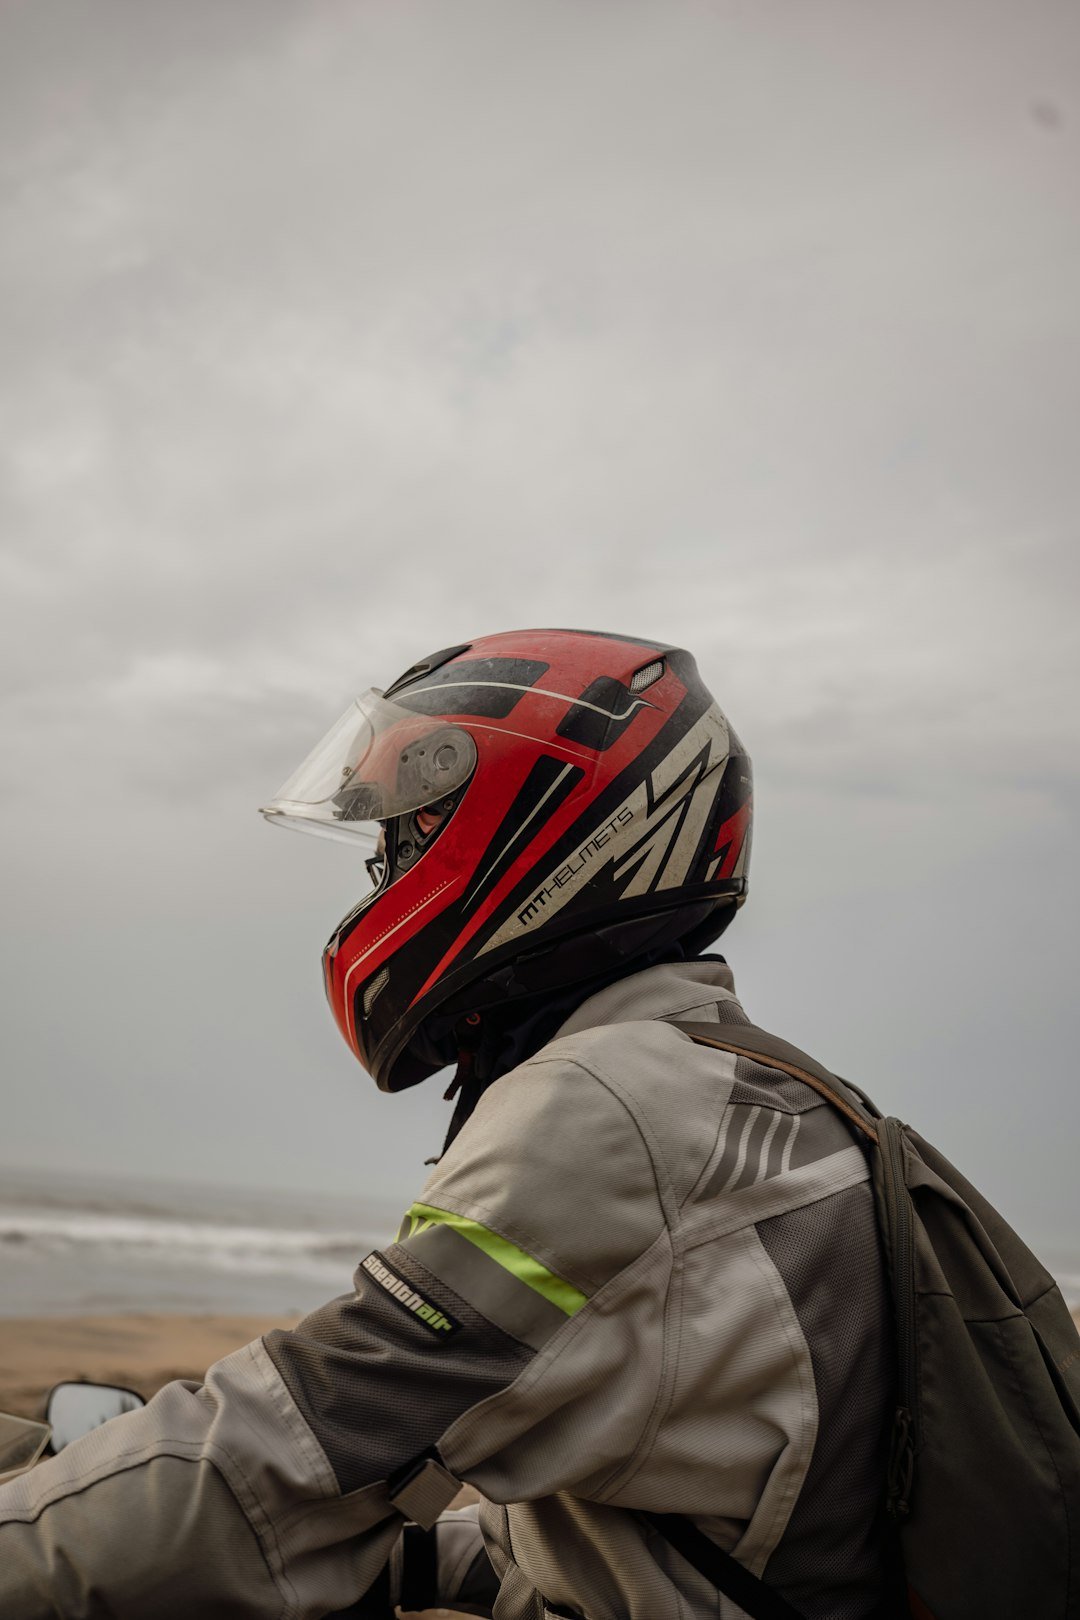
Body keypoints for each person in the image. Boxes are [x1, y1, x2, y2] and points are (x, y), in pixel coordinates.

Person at [0, 628, 892, 1619]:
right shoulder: (734, 1088)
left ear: (545, 827)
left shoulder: (618, 1108)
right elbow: (631, 1534)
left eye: (406, 837)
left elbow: (289, 1453)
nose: (383, 875)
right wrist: (415, 1563)